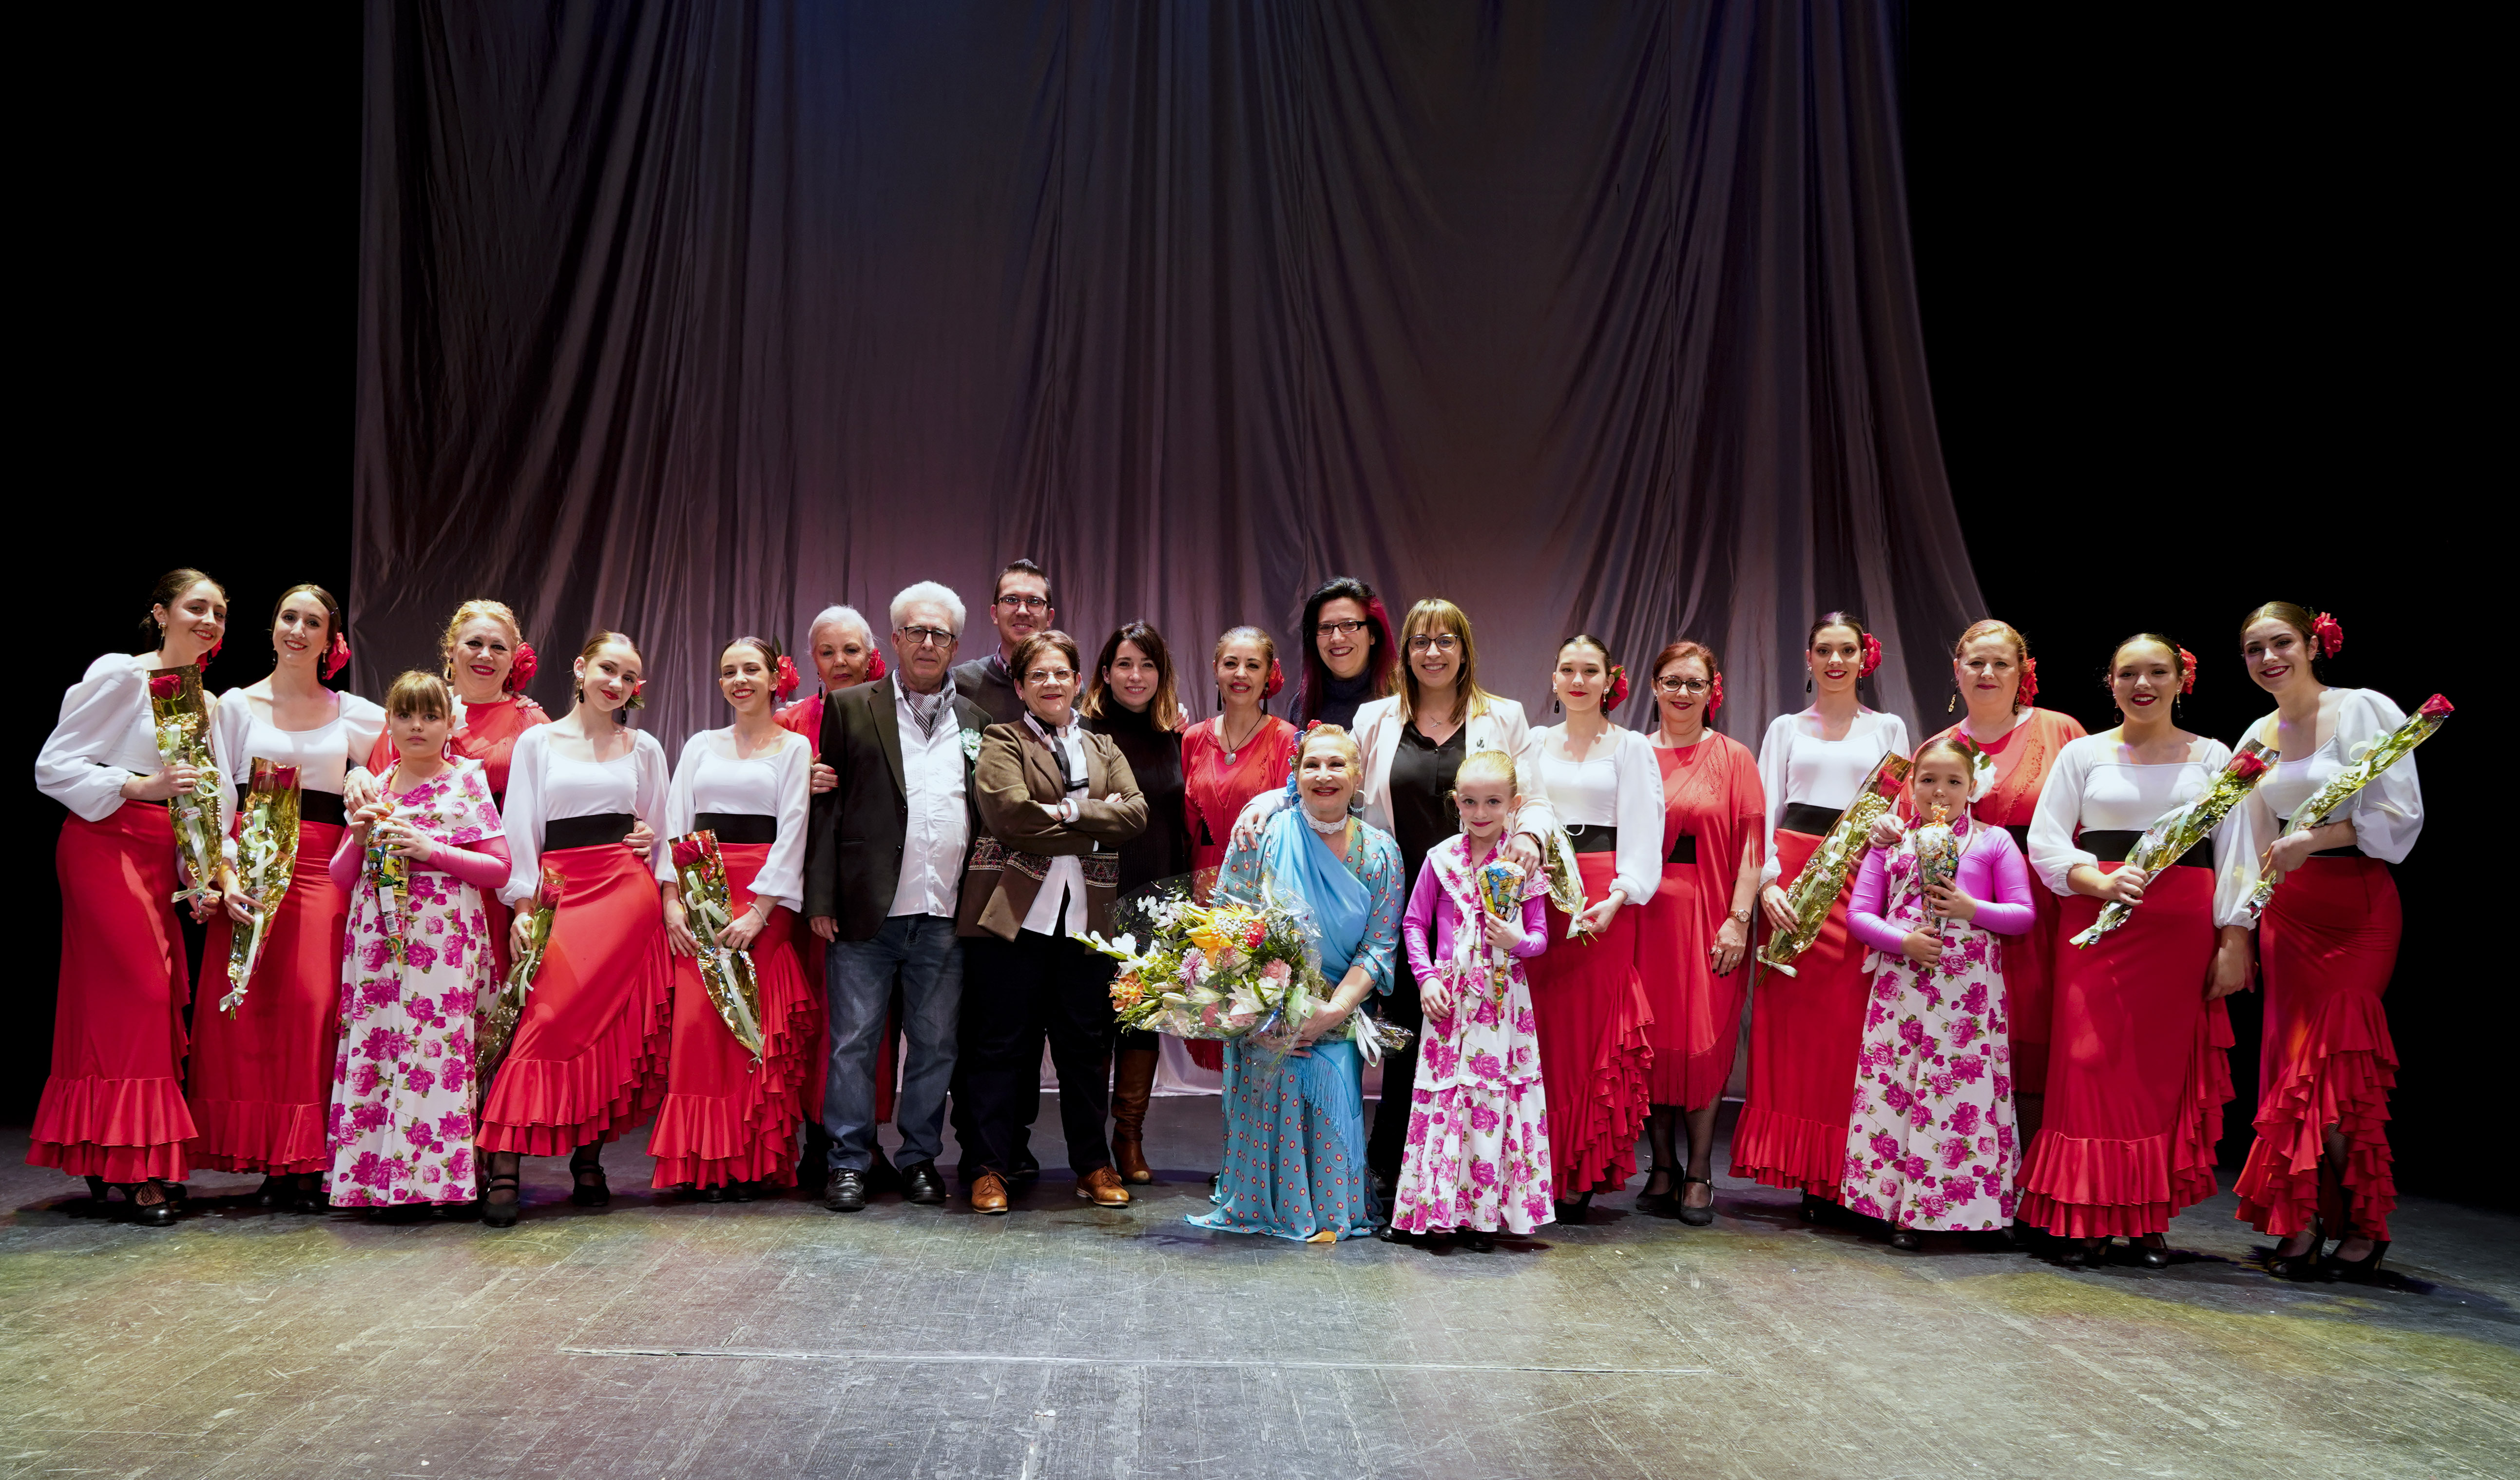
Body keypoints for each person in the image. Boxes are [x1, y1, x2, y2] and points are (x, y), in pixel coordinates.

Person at [1231, 598, 1558, 1218]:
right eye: (1420, 642)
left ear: (1464, 650)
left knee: (1471, 1041)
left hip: (1473, 906)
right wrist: (1265, 803)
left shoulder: (1505, 716)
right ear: (1404, 652)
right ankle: (1402, 1169)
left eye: (1445, 641)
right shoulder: (1376, 716)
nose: (1432, 653)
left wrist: (1529, 839)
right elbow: (1328, 773)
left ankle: (1469, 1180)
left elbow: (1534, 800)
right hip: (1397, 895)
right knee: (1407, 1032)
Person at [2023, 634, 2251, 1267]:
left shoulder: (2213, 756)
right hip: (2097, 923)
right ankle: (2086, 1213)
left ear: (2181, 680)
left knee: (2156, 1075)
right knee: (2088, 1062)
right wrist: (2093, 880)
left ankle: (2143, 1216)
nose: (2141, 684)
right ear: (2111, 682)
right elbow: (2044, 840)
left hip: (2178, 933)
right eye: (2128, 673)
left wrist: (2234, 937)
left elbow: (2237, 852)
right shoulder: (2082, 754)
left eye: (2156, 672)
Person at [2226, 603, 2422, 1282]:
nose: (2267, 658)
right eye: (2253, 649)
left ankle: (2365, 1223)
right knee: (2292, 1070)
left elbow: (2399, 813)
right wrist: (2241, 927)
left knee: (2334, 1068)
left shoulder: (2363, 708)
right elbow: (2251, 845)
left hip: (2356, 905)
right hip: (2288, 915)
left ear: (2313, 644)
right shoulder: (2255, 734)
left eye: (2280, 643)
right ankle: (2303, 1219)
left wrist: (2316, 838)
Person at [30, 569, 228, 1225]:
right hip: (103, 842)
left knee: (140, 1000)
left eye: (219, 612)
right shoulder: (123, 674)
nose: (209, 620)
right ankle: (139, 1165)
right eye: (196, 607)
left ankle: (102, 1150)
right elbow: (54, 765)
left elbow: (201, 800)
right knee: (140, 995)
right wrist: (138, 786)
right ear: (161, 613)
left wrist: (201, 876)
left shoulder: (205, 701)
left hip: (157, 854)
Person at [195, 583, 385, 1209]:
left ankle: (309, 1160)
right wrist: (223, 875)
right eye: (288, 618)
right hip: (251, 870)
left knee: (313, 1006)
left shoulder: (356, 713)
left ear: (331, 640)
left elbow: (408, 762)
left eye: (312, 623)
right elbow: (217, 798)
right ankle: (267, 1159)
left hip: (321, 871)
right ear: (274, 626)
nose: (297, 631)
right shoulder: (235, 705)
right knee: (249, 1011)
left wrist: (363, 773)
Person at [804, 582, 992, 1213]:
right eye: (916, 631)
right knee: (853, 1043)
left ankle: (918, 1159)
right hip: (866, 911)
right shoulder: (850, 707)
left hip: (945, 914)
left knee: (935, 1046)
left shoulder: (977, 721)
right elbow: (827, 808)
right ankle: (848, 1162)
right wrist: (821, 898)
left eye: (939, 634)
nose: (927, 643)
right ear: (895, 639)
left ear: (955, 645)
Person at [479, 632, 675, 1227]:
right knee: (544, 1023)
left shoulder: (644, 747)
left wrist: (649, 845)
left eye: (628, 677)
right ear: (581, 668)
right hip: (561, 892)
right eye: (607, 669)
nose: (616, 684)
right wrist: (521, 908)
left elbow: (662, 834)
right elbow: (519, 829)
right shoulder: (538, 741)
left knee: (608, 1027)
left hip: (626, 898)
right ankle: (504, 1163)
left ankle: (588, 1161)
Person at [956, 631, 1150, 1214]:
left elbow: (1136, 814)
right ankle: (988, 1169)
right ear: (1019, 686)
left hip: (1086, 923)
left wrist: (1064, 811)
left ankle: (1092, 1165)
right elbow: (1010, 817)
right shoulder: (1002, 739)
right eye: (1037, 674)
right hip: (1012, 920)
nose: (1050, 683)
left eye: (1060, 673)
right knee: (999, 1048)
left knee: (1085, 1050)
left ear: (1077, 682)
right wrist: (1093, 826)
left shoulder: (1103, 746)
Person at [1191, 724, 1404, 1242]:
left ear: (1358, 777)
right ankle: (1259, 1205)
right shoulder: (1260, 837)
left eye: (1337, 765)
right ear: (1295, 774)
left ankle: (1325, 1209)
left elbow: (1378, 948)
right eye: (1312, 764)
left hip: (1338, 1011)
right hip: (1263, 1011)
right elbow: (1228, 929)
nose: (1324, 775)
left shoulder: (1381, 853)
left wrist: (1333, 1011)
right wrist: (1265, 1012)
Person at [1737, 612, 1912, 1218]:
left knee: (1846, 1031)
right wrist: (1766, 884)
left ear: (1865, 659)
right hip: (1793, 884)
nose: (1835, 661)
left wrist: (1889, 837)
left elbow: (1899, 811)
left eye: (1846, 651)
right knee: (1793, 1031)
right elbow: (1762, 811)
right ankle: (1804, 1172)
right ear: (1808, 659)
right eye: (1823, 651)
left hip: (1857, 881)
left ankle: (1842, 1172)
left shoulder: (1888, 727)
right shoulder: (1785, 728)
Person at [1840, 734, 2036, 1248]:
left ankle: (1977, 1213)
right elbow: (1859, 915)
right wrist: (1903, 941)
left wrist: (1972, 910)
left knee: (1962, 1095)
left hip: (1967, 992)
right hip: (1901, 986)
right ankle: (1902, 1211)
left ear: (1972, 787)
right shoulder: (1890, 844)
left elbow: (2022, 915)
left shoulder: (1993, 841)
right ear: (1911, 785)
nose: (1940, 791)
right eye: (1928, 780)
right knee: (1901, 1091)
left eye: (1953, 781)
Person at [327, 671, 510, 1217]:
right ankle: (378, 1182)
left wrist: (431, 850)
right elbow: (341, 877)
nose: (417, 726)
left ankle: (436, 1182)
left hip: (442, 933)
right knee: (380, 1046)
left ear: (450, 725)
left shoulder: (466, 781)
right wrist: (358, 838)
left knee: (434, 1051)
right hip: (378, 933)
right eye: (405, 715)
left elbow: (499, 868)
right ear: (389, 723)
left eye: (430, 716)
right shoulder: (376, 787)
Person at [648, 638, 818, 1199]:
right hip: (700, 889)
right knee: (699, 1030)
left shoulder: (794, 747)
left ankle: (749, 1163)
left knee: (751, 1028)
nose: (739, 679)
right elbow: (676, 821)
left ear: (775, 678)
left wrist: (760, 912)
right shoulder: (700, 745)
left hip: (762, 898)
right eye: (728, 671)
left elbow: (793, 833)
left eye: (750, 669)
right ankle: (701, 1165)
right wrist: (672, 899)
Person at [1911, 620, 2084, 1165]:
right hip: (1957, 919)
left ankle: (2033, 1181)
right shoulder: (1938, 747)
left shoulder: (2060, 731)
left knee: (2035, 1037)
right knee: (1966, 1040)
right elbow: (1913, 831)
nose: (1987, 673)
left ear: (2022, 672)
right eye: (1975, 662)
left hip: (2041, 906)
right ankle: (1969, 1177)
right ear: (1956, 671)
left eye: (2001, 663)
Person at [1390, 749, 1554, 1248]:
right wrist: (1425, 979)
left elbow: (1539, 938)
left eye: (1493, 802)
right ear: (1455, 801)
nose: (1480, 813)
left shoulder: (1522, 866)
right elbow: (1414, 923)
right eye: (1469, 802)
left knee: (1490, 1098)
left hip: (1502, 1003)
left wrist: (1515, 941)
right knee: (1445, 1096)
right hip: (1449, 999)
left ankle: (1482, 1217)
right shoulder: (1440, 859)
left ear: (1513, 804)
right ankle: (1436, 1211)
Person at [1522, 635, 1660, 1223]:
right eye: (1567, 670)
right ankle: (1534, 1165)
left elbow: (1644, 830)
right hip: (1543, 893)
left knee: (1590, 1031)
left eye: (1589, 671)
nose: (1577, 681)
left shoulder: (1630, 746)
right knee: (1543, 1032)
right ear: (1553, 679)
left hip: (1602, 897)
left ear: (1609, 680)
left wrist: (1617, 898)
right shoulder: (1531, 741)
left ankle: (1577, 1167)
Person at [1634, 641, 1764, 1226]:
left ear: (1712, 691)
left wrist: (1738, 918)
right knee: (1653, 1045)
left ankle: (1698, 1173)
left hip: (1712, 916)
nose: (1681, 693)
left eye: (1693, 683)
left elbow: (1752, 847)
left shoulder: (1734, 757)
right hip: (1645, 920)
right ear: (1654, 687)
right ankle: (1661, 1167)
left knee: (1703, 1044)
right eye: (1671, 681)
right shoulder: (1634, 754)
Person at [362, 599, 550, 983]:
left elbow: (559, 807)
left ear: (514, 658)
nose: (486, 655)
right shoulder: (417, 712)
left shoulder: (532, 722)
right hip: (412, 883)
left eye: (498, 647)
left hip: (500, 887)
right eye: (474, 643)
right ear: (451, 650)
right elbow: (379, 787)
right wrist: (355, 779)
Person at [1078, 621, 1192, 1182]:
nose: (1135, 676)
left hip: (1159, 897)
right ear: (1105, 672)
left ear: (1161, 674)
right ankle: (1090, 1147)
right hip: (1096, 894)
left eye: (1147, 665)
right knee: (1091, 1021)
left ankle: (1129, 1137)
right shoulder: (1081, 732)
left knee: (1141, 1019)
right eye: (1124, 664)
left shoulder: (1177, 736)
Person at [777, 603, 882, 1192]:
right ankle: (817, 1140)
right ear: (811, 659)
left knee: (871, 1027)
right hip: (803, 895)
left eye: (850, 650)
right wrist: (799, 782)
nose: (840, 662)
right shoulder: (790, 722)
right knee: (819, 1019)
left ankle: (862, 1140)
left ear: (871, 655)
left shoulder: (892, 712)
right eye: (827, 652)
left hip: (870, 893)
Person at [1178, 627, 1301, 1071]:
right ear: (1215, 670)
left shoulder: (1287, 738)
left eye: (1253, 665)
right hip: (1205, 887)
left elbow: (1296, 819)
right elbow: (1186, 824)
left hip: (1262, 888)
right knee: (1217, 1011)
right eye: (1231, 663)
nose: (1241, 674)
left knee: (1261, 1011)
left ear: (1269, 674)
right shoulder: (1192, 738)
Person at [950, 559, 1055, 725]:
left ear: (1049, 617)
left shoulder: (1066, 687)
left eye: (1034, 602)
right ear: (995, 614)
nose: (1022, 611)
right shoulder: (961, 683)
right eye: (1011, 600)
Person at [1293, 576, 1399, 729]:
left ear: (1373, 635)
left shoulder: (1405, 699)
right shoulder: (1302, 705)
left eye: (1349, 625)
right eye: (1325, 627)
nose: (1337, 638)